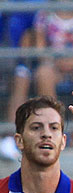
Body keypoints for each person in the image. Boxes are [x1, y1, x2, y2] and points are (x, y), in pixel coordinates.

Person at [0, 0, 46, 162]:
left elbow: (29, 39)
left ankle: (9, 138)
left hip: (16, 62)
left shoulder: (33, 6)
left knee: (22, 75)